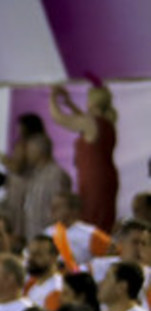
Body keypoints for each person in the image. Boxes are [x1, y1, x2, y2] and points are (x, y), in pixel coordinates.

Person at [50, 82, 119, 232]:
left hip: (94, 178)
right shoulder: (106, 123)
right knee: (101, 216)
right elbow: (82, 119)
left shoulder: (91, 123)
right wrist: (69, 104)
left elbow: (59, 118)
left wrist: (53, 97)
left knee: (92, 217)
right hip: (103, 176)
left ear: (91, 102)